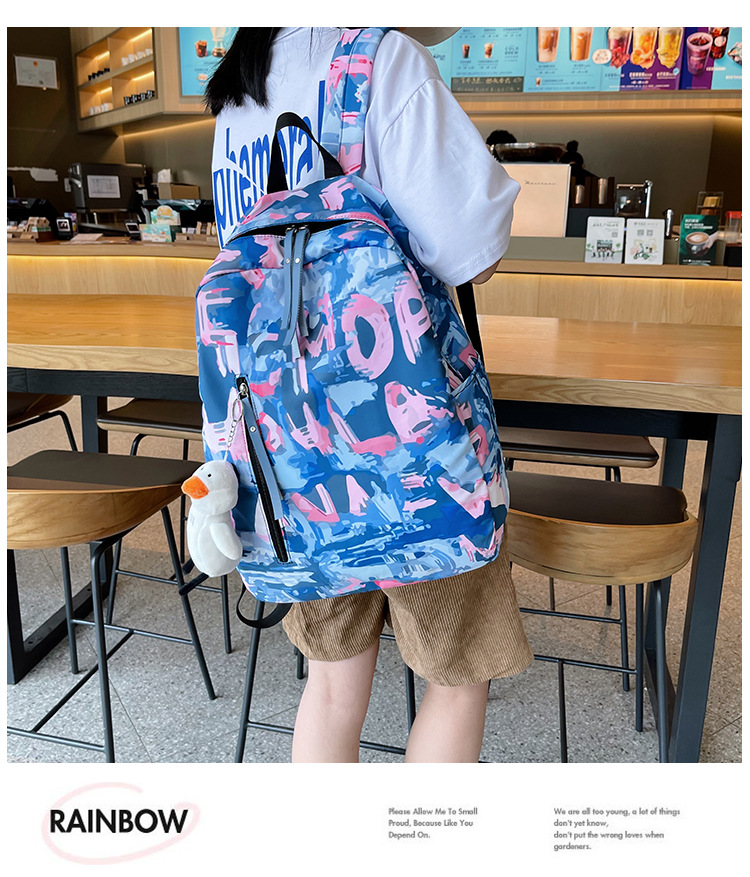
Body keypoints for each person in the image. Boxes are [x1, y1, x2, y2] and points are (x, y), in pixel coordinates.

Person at [205, 27, 533, 763]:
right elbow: (471, 251)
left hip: (292, 450)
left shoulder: (237, 94)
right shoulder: (383, 61)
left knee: (329, 685)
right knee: (455, 680)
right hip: (419, 443)